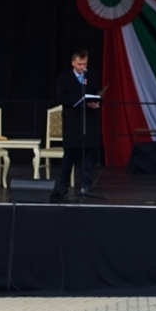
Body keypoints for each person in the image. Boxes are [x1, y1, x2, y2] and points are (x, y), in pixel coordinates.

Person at [55, 49, 101, 199]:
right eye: (80, 64)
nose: (82, 67)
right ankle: (63, 186)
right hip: (72, 122)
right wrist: (80, 100)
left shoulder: (91, 76)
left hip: (89, 121)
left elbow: (96, 93)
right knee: (70, 155)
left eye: (85, 64)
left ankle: (86, 186)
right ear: (73, 63)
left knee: (89, 155)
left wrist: (96, 102)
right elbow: (61, 97)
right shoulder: (64, 78)